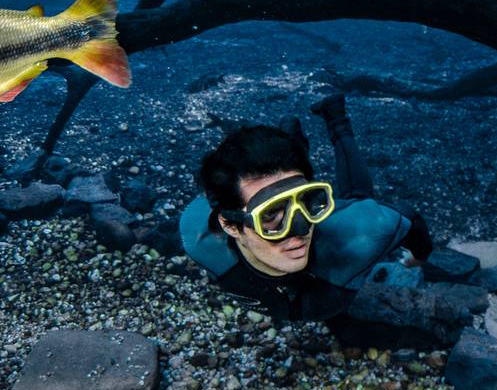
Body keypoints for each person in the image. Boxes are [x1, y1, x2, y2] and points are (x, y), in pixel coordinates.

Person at [180, 95, 432, 322]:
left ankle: (336, 120)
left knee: (359, 198)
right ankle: (299, 134)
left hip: (339, 230)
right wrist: (420, 256)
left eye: (306, 197)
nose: (301, 228)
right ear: (229, 224)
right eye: (270, 214)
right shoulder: (198, 236)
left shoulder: (362, 235)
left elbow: (409, 218)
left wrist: (419, 257)